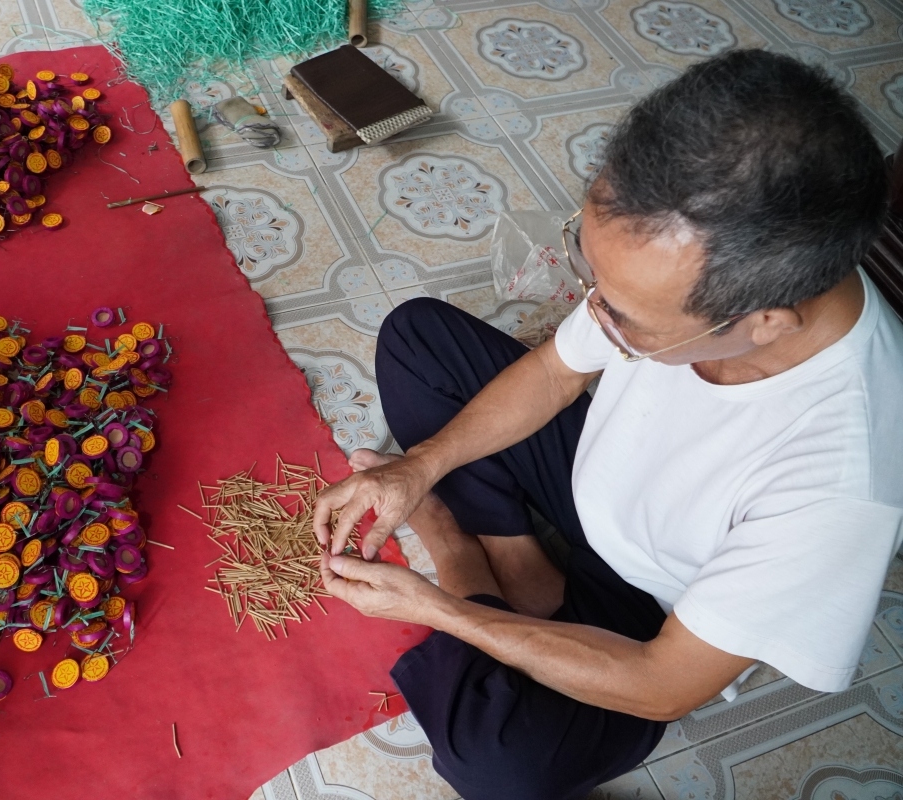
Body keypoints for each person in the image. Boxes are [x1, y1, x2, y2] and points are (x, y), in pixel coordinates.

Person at [311, 48, 903, 799]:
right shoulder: (684, 267)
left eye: (623, 315)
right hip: (599, 483)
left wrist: (443, 606)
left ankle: (458, 548)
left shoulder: (842, 484)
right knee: (419, 338)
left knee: (502, 764)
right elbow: (558, 372)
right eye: (595, 277)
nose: (592, 312)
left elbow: (664, 685)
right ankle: (521, 560)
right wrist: (415, 467)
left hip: (655, 617)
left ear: (764, 323)